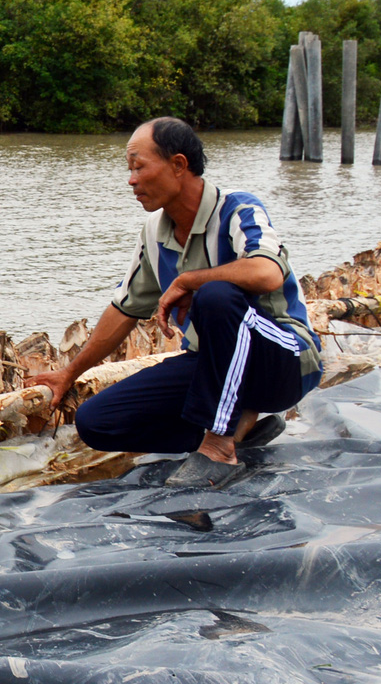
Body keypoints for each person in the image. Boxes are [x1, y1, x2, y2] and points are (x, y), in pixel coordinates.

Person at [38, 117, 321, 487]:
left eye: (139, 167)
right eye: (129, 170)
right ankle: (239, 428)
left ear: (178, 165)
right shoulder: (155, 233)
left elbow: (267, 273)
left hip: (283, 361)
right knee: (97, 422)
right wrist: (68, 373)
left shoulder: (238, 211)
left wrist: (190, 279)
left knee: (216, 297)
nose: (132, 180)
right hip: (213, 368)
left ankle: (219, 446)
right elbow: (124, 310)